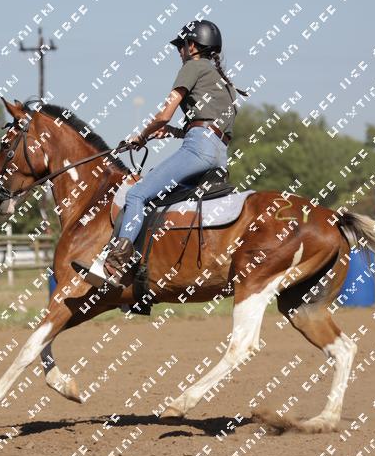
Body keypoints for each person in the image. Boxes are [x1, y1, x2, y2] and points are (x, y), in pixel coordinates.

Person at [72, 20, 249, 288]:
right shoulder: (224, 82)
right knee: (161, 201)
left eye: (181, 46)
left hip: (197, 149)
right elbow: (211, 127)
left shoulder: (192, 67)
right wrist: (175, 132)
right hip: (219, 157)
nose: (179, 51)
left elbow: (164, 114)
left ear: (193, 46)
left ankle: (115, 263)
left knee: (137, 195)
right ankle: (145, 272)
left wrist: (141, 136)